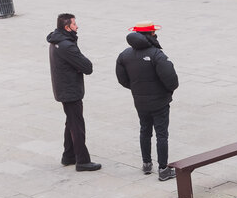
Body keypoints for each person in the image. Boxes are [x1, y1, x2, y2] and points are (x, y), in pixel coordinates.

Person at [115, 22, 180, 181]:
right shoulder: (157, 54)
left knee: (145, 130)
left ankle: (146, 163)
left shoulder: (124, 55)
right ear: (151, 34)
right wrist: (167, 92)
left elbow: (122, 80)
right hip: (160, 102)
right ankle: (163, 169)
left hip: (140, 102)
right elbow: (171, 80)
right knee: (161, 134)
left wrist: (137, 90)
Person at [47, 13, 99, 172]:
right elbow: (87, 67)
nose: (77, 27)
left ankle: (68, 155)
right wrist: (78, 66)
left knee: (71, 121)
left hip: (64, 88)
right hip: (70, 90)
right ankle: (82, 161)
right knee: (77, 125)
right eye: (74, 24)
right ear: (67, 27)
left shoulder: (57, 41)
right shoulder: (67, 45)